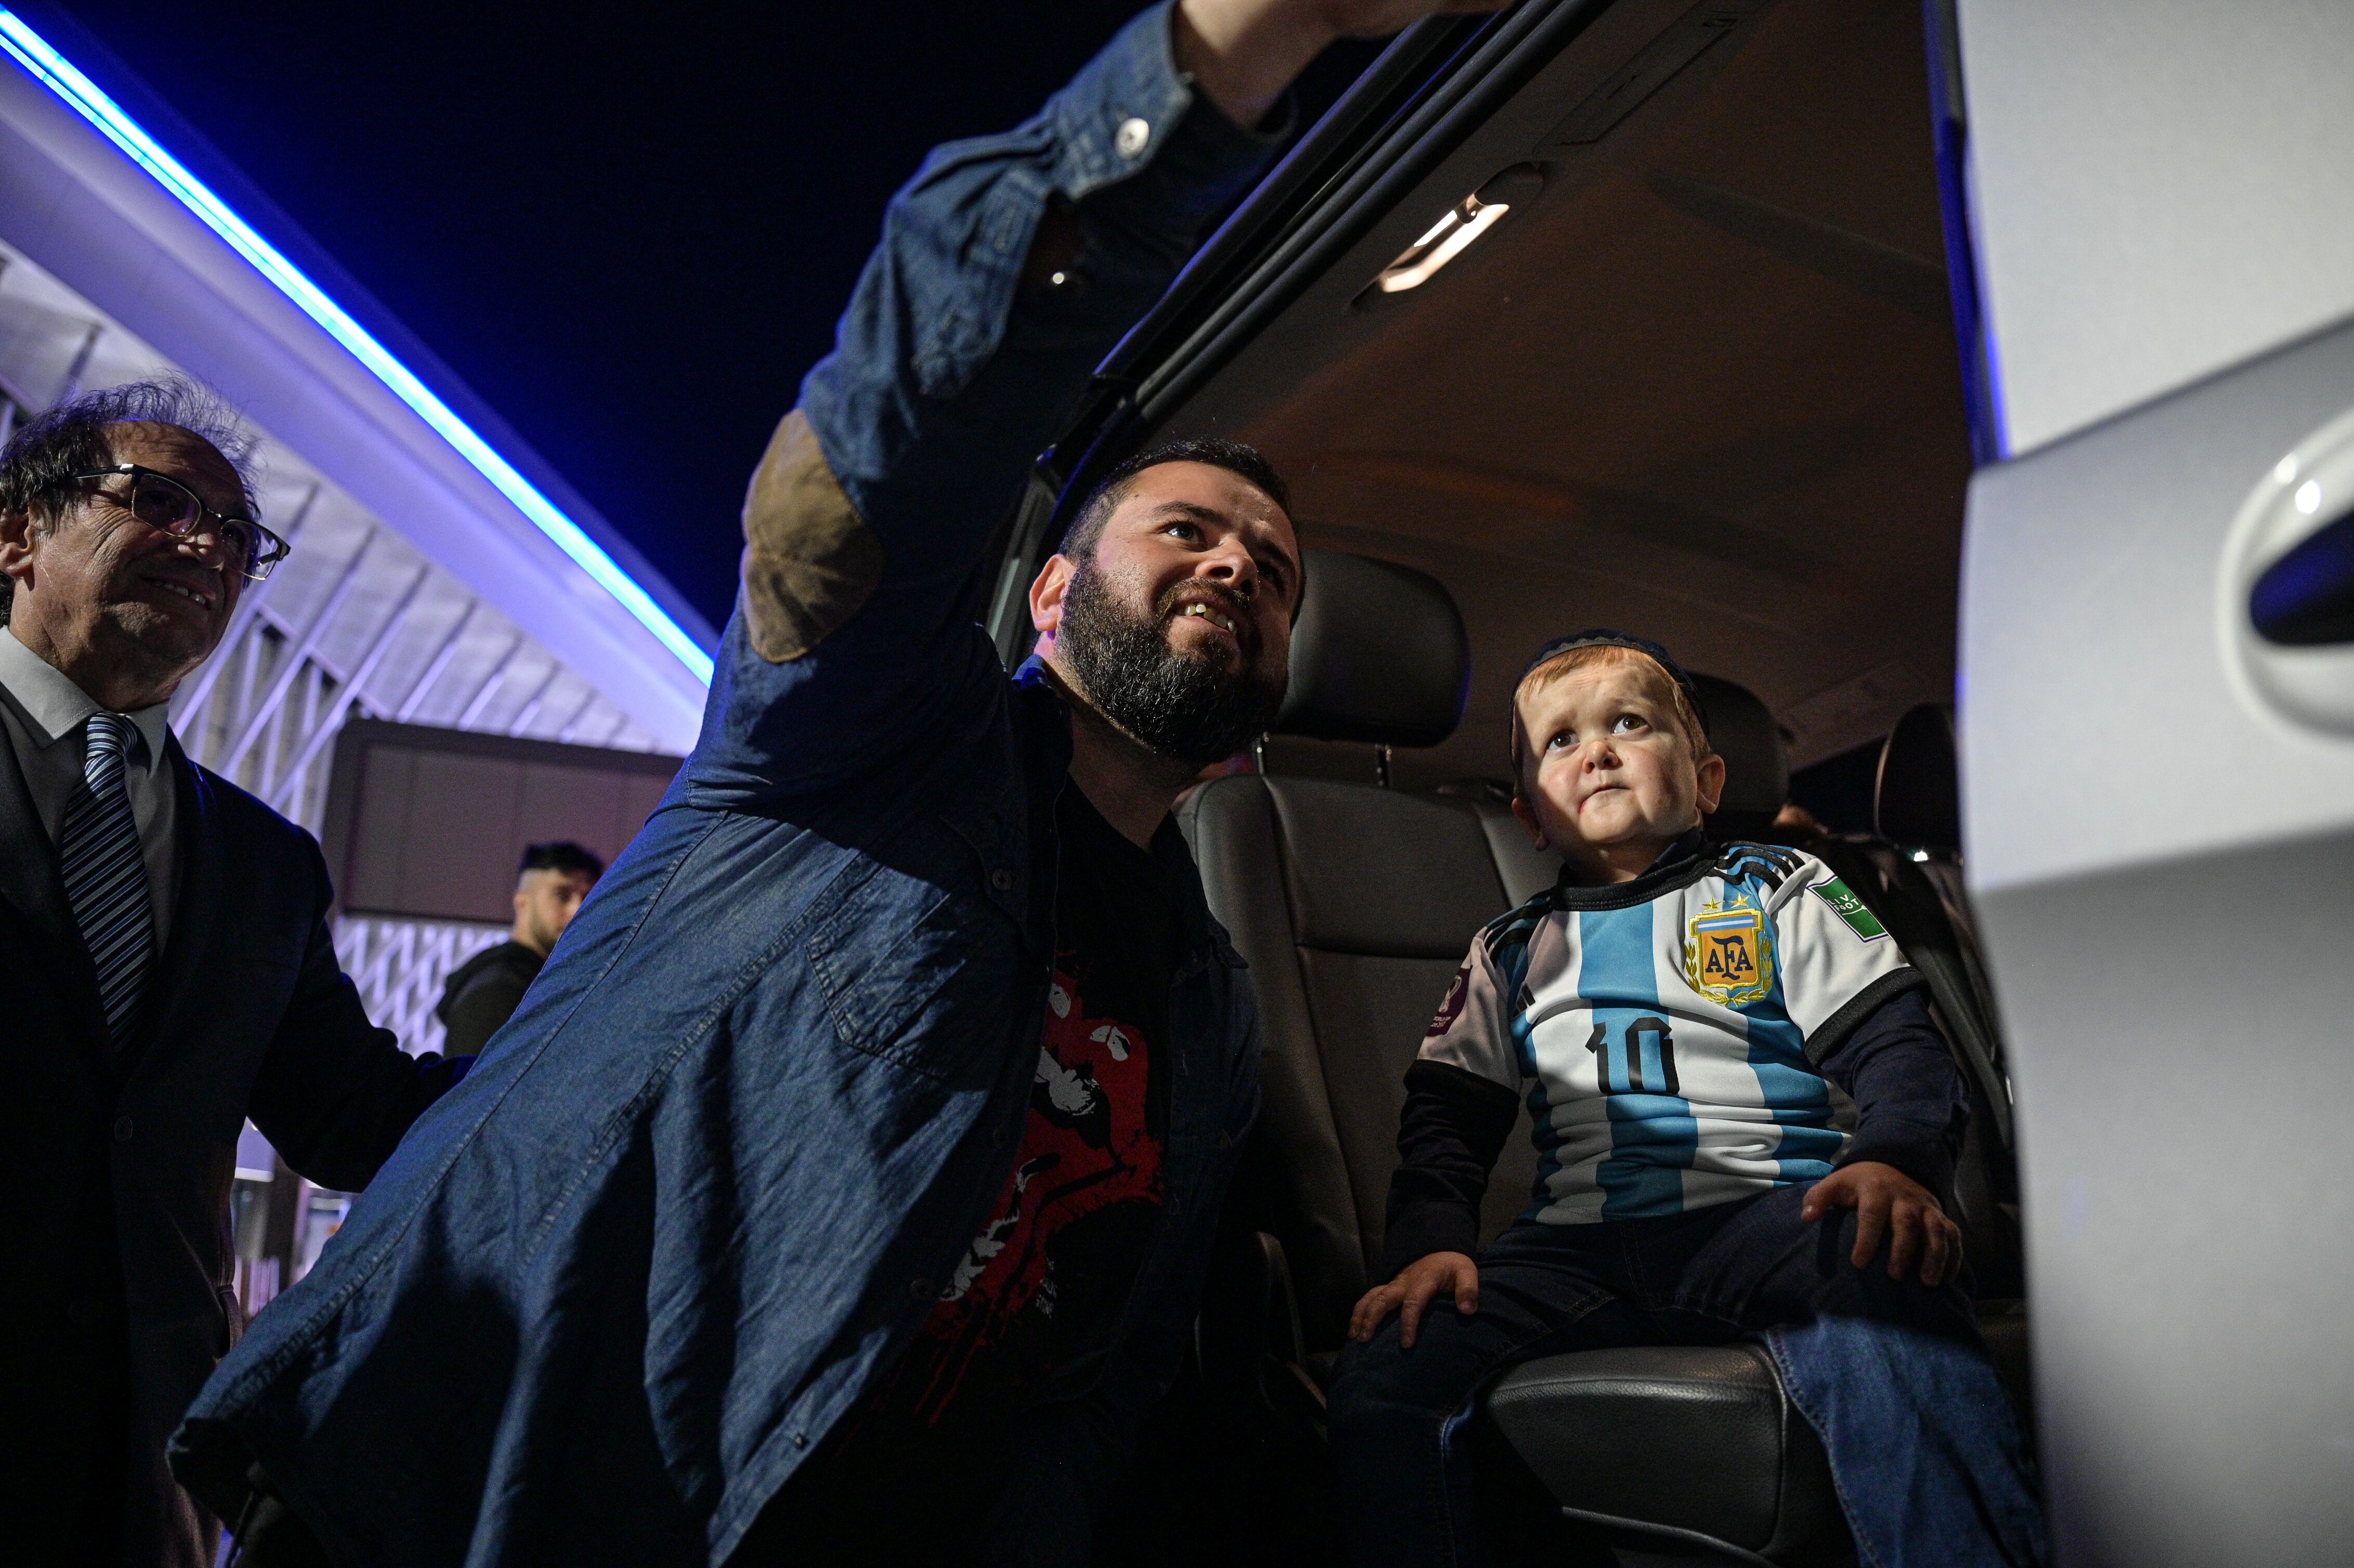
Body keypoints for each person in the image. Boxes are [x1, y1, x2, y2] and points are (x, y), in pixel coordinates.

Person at [169, 3, 1491, 1563]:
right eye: (1186, 532)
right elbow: (895, 441)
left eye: (1271, 569)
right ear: (1051, 598)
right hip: (517, 1490)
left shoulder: (1207, 998)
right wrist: (1239, 48)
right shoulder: (859, 743)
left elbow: (1104, 1372)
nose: (1237, 567)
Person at [1327, 631, 2047, 1568]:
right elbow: (1446, 1123)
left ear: (1706, 782)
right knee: (1386, 1371)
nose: (1596, 751)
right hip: (1573, 1245)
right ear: (1529, 816)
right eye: (1560, 742)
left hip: (1769, 1209)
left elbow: (1896, 1045)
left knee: (1879, 1291)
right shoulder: (1505, 949)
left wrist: (1891, 1160)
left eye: (1628, 723)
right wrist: (1430, 1246)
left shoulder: (1777, 889)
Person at [0, 377, 475, 1568]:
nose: (204, 541)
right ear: (14, 534)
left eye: (236, 533)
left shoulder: (263, 863)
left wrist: (609, 1032)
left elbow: (356, 1113)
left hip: (132, 1465)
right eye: (157, 500)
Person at [435, 840, 605, 1055]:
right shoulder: (499, 989)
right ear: (522, 903)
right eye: (562, 896)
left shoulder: (545, 982)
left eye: (589, 898)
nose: (578, 910)